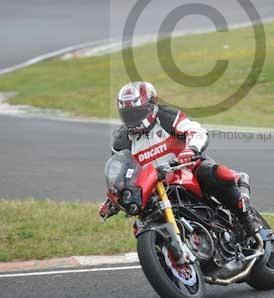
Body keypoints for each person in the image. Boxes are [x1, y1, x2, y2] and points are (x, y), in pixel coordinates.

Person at [100, 81, 259, 234]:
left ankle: (246, 219)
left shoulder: (166, 117)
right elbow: (120, 171)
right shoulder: (122, 139)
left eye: (137, 112)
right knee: (141, 224)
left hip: (186, 168)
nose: (133, 119)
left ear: (151, 106)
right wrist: (114, 198)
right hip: (153, 187)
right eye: (128, 115)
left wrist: (191, 150)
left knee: (215, 174)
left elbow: (196, 131)